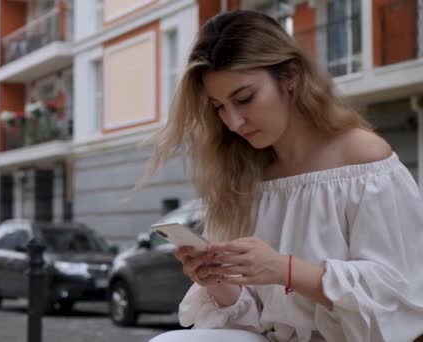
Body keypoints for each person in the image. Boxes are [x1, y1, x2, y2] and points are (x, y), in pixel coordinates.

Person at [140, 10, 423, 342]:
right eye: (218, 107)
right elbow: (252, 320)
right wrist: (216, 279)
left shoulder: (362, 159)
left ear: (289, 76)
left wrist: (284, 269)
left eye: (244, 99)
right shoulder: (243, 176)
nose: (233, 122)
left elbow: (398, 299)